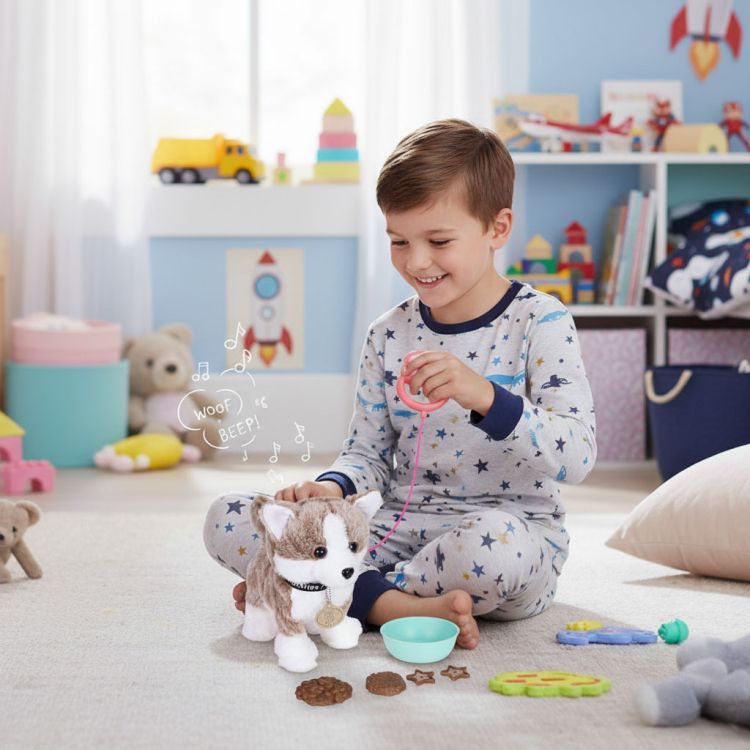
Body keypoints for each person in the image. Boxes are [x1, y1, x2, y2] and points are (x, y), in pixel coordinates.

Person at [204, 118, 597, 649]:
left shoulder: (540, 322)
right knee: (231, 515)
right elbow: (366, 454)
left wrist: (484, 396)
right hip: (392, 529)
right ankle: (392, 605)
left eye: (439, 240)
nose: (416, 261)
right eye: (398, 241)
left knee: (495, 547)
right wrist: (332, 489)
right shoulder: (388, 333)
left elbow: (578, 455)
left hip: (508, 536)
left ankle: (313, 591)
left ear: (498, 228)